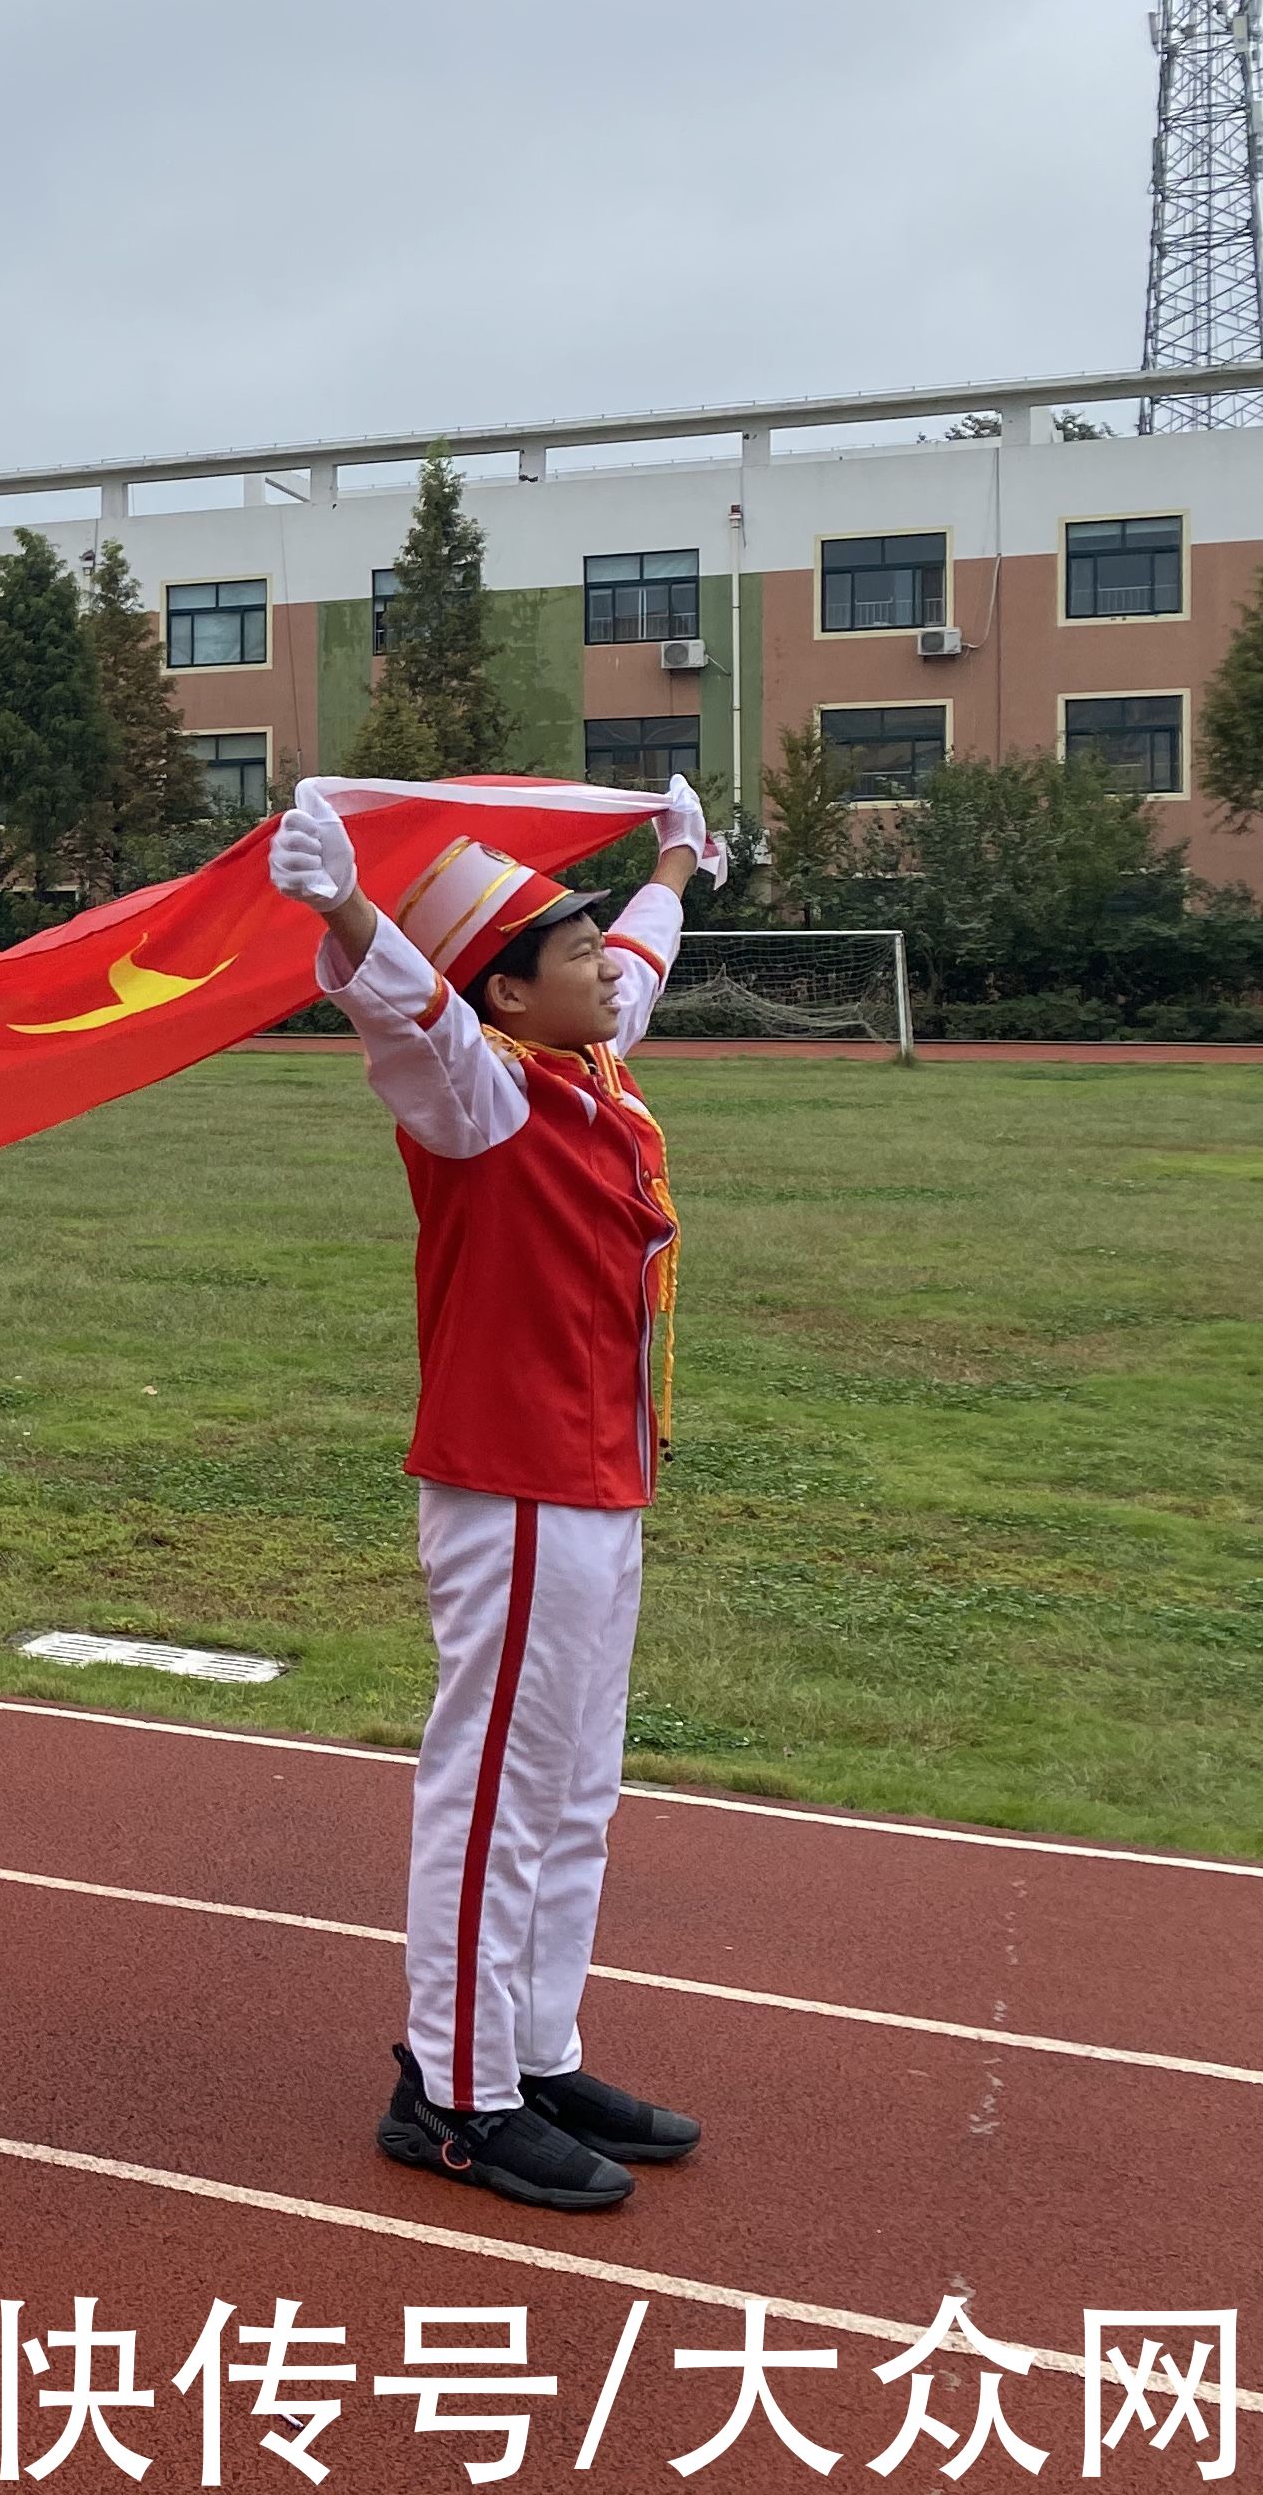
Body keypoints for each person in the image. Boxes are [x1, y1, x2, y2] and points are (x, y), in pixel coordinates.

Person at [269, 777, 721, 2215]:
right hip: (515, 1489)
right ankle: (454, 2095)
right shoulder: (482, 1097)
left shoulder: (587, 1062)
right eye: (571, 950)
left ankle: (530, 2049)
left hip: (598, 1480)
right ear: (508, 995)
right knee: (496, 1799)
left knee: (575, 1789)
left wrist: (671, 870)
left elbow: (639, 970)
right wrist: (345, 904)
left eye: (596, 943)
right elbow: (410, 1014)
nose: (606, 965)